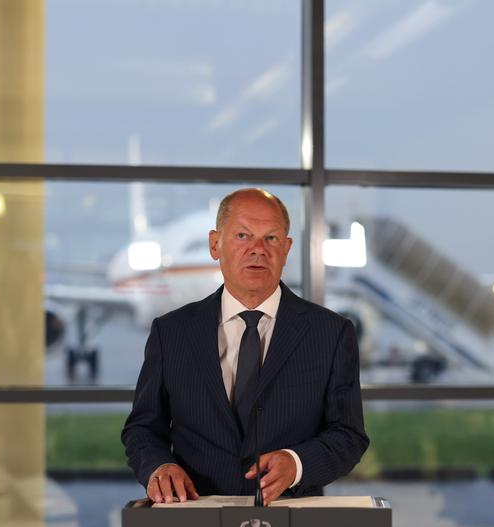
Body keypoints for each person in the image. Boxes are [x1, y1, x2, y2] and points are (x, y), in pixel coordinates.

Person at [121, 188, 369, 506]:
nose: (257, 250)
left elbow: (349, 435)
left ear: (287, 248)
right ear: (215, 244)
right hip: (195, 520)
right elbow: (142, 429)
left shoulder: (331, 333)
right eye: (242, 235)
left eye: (271, 238)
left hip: (293, 523)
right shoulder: (171, 333)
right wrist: (159, 466)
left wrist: (297, 464)